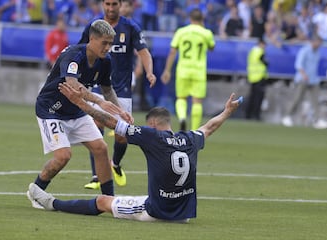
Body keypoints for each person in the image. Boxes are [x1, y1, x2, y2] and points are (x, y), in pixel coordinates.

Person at [27, 81, 242, 222]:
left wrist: (79, 102)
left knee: (103, 202)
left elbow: (111, 123)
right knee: (138, 197)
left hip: (157, 212)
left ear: (154, 123)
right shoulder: (189, 139)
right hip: (183, 213)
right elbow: (209, 127)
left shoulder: (152, 136)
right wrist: (227, 112)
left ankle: (52, 203)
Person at [27, 19, 133, 209]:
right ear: (92, 39)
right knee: (63, 156)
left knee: (101, 148)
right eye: (105, 43)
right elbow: (73, 86)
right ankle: (36, 190)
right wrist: (99, 101)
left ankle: (110, 201)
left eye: (111, 43)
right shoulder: (73, 55)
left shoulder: (105, 61)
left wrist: (120, 112)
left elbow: (107, 89)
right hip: (51, 110)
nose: (108, 47)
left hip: (76, 111)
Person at [78, 0, 156, 190]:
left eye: (114, 4)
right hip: (97, 86)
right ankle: (97, 175)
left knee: (122, 135)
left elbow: (143, 52)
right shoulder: (94, 26)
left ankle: (115, 164)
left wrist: (149, 72)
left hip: (121, 90)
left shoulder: (130, 27)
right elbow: (80, 50)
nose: (110, 8)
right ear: (102, 4)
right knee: (95, 128)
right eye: (107, 4)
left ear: (120, 5)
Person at [161, 8, 215, 131]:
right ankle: (195, 130)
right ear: (202, 19)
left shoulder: (181, 32)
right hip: (199, 71)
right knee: (197, 101)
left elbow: (172, 51)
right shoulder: (206, 33)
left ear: (190, 19)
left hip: (183, 70)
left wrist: (167, 70)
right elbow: (212, 47)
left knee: (181, 98)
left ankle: (182, 118)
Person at [281, 35, 323, 128]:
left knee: (316, 100)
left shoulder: (317, 52)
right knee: (297, 98)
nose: (319, 45)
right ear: (314, 42)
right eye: (318, 43)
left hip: (313, 79)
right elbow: (298, 65)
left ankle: (317, 120)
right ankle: (287, 116)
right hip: (302, 79)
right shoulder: (305, 50)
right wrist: (304, 75)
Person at [245, 38, 268, 121]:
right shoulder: (260, 51)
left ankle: (248, 114)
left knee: (252, 97)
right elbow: (264, 61)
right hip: (259, 77)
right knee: (258, 98)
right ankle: (256, 115)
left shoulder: (252, 51)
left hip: (252, 77)